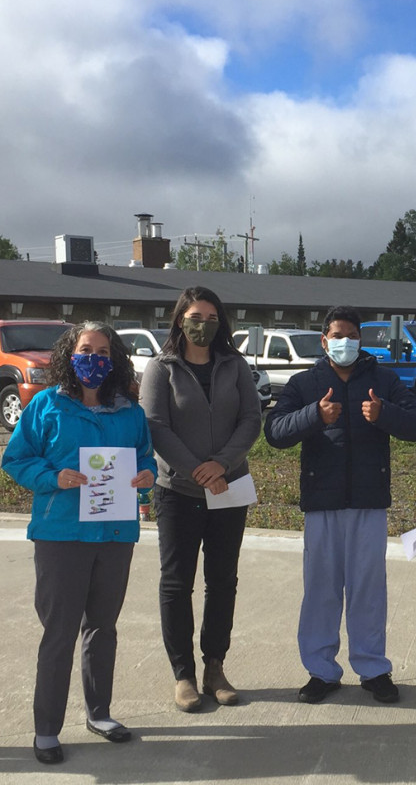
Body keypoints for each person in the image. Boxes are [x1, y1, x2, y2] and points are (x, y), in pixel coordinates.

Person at [2, 321, 156, 765]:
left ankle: (99, 713)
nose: (94, 359)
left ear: (115, 360)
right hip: (62, 535)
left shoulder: (129, 412)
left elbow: (145, 458)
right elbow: (15, 458)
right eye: (86, 349)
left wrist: (147, 476)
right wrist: (53, 477)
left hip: (114, 535)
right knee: (60, 633)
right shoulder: (47, 404)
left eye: (103, 352)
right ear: (70, 355)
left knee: (103, 628)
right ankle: (46, 729)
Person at [264, 305, 416, 704]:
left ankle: (373, 669)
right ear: (325, 341)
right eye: (337, 336)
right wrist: (314, 416)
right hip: (322, 503)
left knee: (367, 590)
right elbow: (275, 432)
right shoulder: (306, 382)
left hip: (368, 502)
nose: (345, 342)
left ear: (361, 340)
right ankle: (321, 671)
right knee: (321, 590)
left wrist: (384, 414)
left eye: (352, 336)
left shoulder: (384, 379)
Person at [140, 286, 262, 711]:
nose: (203, 325)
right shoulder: (161, 368)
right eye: (195, 317)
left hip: (229, 487)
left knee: (223, 580)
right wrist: (197, 470)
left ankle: (215, 668)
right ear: (180, 319)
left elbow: (251, 419)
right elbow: (156, 426)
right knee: (177, 583)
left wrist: (222, 464)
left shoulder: (234, 364)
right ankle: (184, 675)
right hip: (178, 491)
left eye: (212, 318)